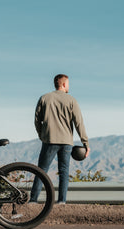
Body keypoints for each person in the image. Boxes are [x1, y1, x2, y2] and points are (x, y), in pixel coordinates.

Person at [30, 74, 90, 204]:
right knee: (63, 172)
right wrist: (85, 143)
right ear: (63, 84)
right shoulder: (71, 100)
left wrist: (42, 135)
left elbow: (36, 121)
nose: (69, 86)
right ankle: (61, 201)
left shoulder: (44, 98)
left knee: (41, 171)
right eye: (68, 83)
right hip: (66, 142)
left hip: (49, 140)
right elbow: (79, 123)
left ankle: (33, 200)